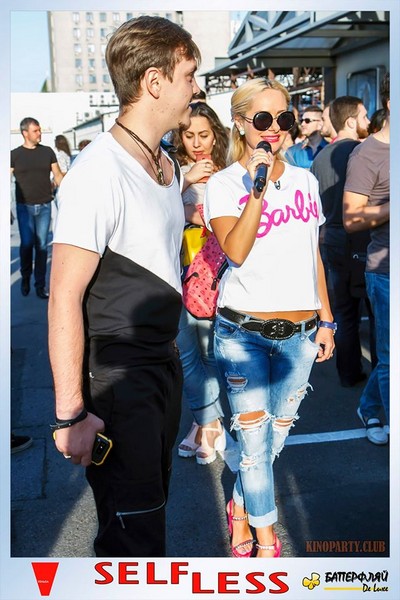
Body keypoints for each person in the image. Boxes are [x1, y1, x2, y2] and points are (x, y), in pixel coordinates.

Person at [48, 15, 201, 557]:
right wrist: (70, 414)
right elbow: (63, 296)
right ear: (154, 82)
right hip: (118, 377)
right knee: (133, 537)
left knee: (148, 517)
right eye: (189, 75)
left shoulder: (165, 163)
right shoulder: (97, 172)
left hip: (163, 364)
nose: (196, 88)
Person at [203, 78, 335, 558]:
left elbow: (313, 255)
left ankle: (240, 504)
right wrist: (256, 189)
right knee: (255, 447)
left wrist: (327, 320)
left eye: (284, 117)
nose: (275, 128)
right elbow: (236, 251)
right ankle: (266, 541)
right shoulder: (222, 185)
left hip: (300, 335)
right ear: (240, 123)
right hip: (243, 334)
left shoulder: (305, 180)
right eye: (263, 119)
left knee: (273, 441)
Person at [172, 102, 229, 465]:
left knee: (210, 353)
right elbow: (152, 210)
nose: (196, 143)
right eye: (189, 135)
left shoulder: (229, 172)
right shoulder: (172, 171)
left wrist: (195, 214)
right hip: (174, 273)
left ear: (216, 135)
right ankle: (208, 422)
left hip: (211, 275)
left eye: (203, 135)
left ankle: (205, 425)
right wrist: (188, 180)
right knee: (186, 354)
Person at [311, 95, 375, 387]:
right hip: (360, 237)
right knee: (373, 310)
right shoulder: (362, 152)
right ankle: (379, 377)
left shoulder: (320, 156)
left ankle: (348, 373)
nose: (367, 122)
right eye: (363, 116)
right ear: (350, 121)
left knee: (344, 311)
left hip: (330, 237)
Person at [343, 73, 390, 445]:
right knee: (392, 359)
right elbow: (351, 219)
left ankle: (369, 405)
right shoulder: (366, 154)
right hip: (387, 273)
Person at [10, 117, 64, 299]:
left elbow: (58, 176)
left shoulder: (47, 152)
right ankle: (25, 276)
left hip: (45, 206)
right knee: (27, 244)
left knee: (41, 246)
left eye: (39, 130)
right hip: (24, 208)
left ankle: (40, 285)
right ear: (25, 133)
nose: (39, 133)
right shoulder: (14, 155)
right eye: (36, 131)